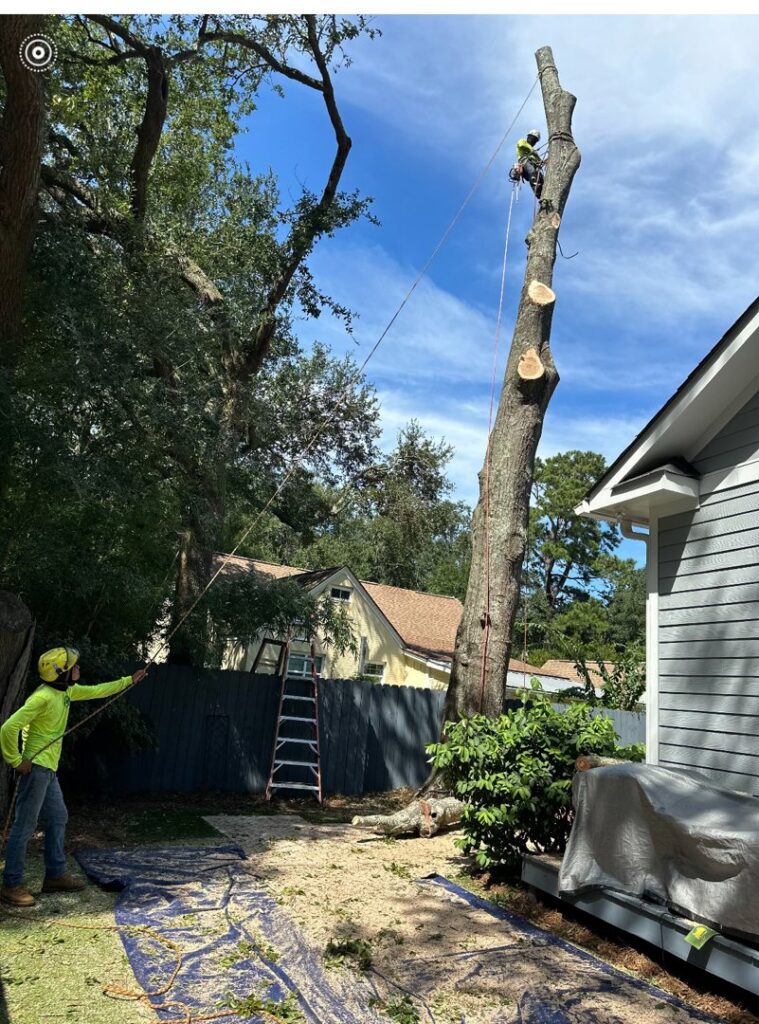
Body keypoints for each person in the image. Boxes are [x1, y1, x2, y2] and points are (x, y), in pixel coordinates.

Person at [0, 647, 147, 906]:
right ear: (61, 673)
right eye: (74, 666)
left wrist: (129, 680)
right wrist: (16, 760)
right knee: (24, 827)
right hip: (36, 768)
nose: (78, 669)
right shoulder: (43, 697)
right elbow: (9, 726)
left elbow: (97, 690)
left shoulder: (65, 692)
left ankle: (55, 876)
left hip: (48, 769)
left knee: (58, 818)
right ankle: (11, 883)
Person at [515, 128, 545, 198]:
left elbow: (538, 160)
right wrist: (532, 150)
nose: (533, 141)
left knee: (541, 178)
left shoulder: (533, 152)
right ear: (528, 137)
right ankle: (537, 189)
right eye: (532, 138)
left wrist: (540, 161)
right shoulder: (522, 141)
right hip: (524, 162)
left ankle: (541, 193)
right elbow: (521, 145)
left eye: (535, 140)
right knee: (533, 173)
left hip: (532, 165)